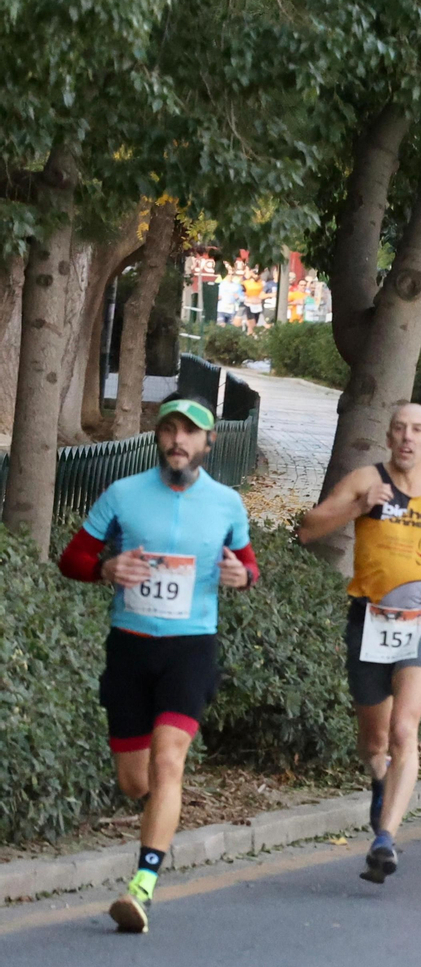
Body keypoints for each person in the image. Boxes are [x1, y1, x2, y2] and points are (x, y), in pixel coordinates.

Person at [57, 395, 258, 933]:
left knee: (169, 761)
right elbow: (72, 558)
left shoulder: (227, 504)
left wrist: (242, 576)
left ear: (208, 442)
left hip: (190, 649)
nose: (178, 441)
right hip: (129, 647)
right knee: (135, 781)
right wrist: (104, 569)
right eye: (170, 430)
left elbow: (247, 564)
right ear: (157, 437)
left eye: (190, 432)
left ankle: (141, 886)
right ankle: (162, 811)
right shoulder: (123, 494)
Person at [298, 404, 421, 883]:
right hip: (370, 619)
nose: (407, 437)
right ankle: (379, 779)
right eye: (399, 428)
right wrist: (358, 506)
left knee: (404, 729)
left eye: (417, 430)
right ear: (389, 437)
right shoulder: (366, 479)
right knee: (374, 741)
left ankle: (385, 838)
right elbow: (308, 528)